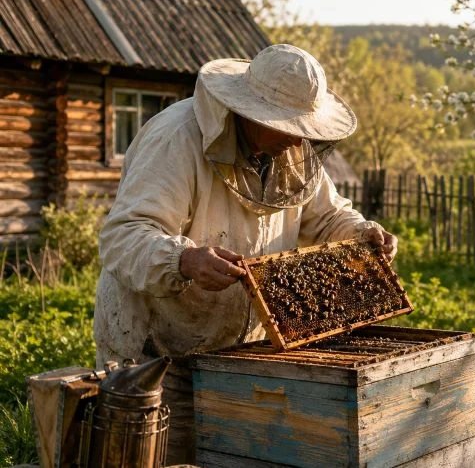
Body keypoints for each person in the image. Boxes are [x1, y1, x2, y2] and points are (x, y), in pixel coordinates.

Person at [93, 44, 397, 463]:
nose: (297, 137)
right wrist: (185, 260)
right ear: (250, 111)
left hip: (241, 355)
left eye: (303, 127)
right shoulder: (176, 138)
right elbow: (123, 237)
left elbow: (326, 218)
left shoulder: (290, 151)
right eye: (287, 125)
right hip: (156, 352)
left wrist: (362, 234)